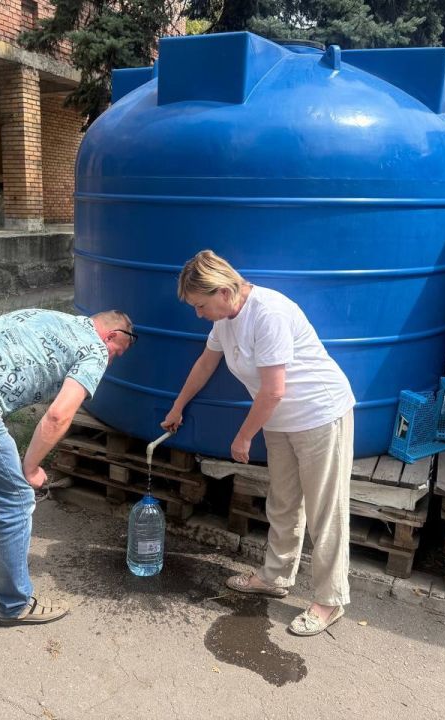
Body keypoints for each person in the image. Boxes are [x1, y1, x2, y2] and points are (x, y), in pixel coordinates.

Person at [161, 250, 355, 636]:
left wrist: (244, 435)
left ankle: (330, 600)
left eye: (201, 306)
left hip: (319, 414)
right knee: (283, 501)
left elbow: (274, 389)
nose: (199, 315)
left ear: (221, 291)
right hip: (279, 420)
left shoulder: (268, 313)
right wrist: (178, 406)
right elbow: (206, 363)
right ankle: (276, 577)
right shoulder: (227, 318)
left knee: (324, 510)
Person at [0, 307, 136, 626]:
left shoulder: (51, 317)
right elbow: (59, 416)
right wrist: (31, 466)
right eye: (117, 352)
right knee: (17, 499)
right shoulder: (94, 349)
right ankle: (14, 604)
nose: (111, 360)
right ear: (112, 336)